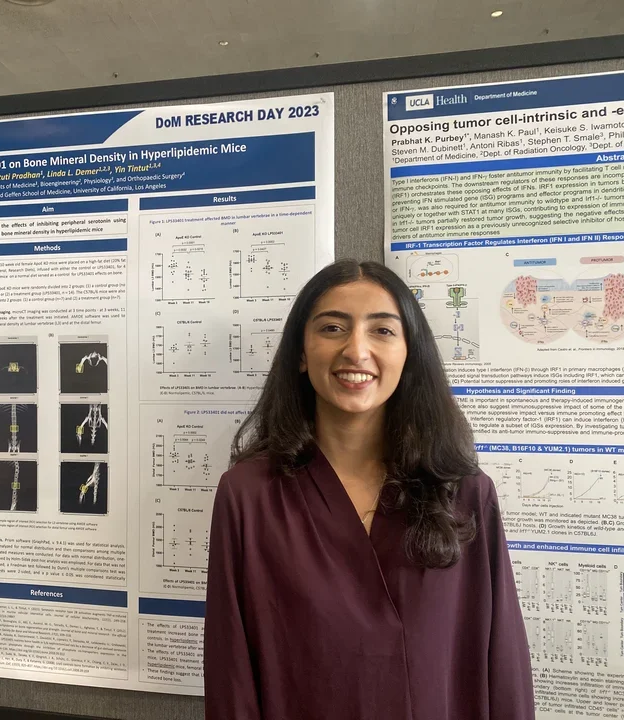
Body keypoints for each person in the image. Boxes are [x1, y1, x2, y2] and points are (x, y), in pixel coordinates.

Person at [203, 259, 534, 719]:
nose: (356, 351)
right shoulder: (249, 496)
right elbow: (231, 673)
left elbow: (505, 665)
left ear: (408, 352)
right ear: (301, 352)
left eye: (382, 331)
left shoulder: (463, 494)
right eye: (333, 328)